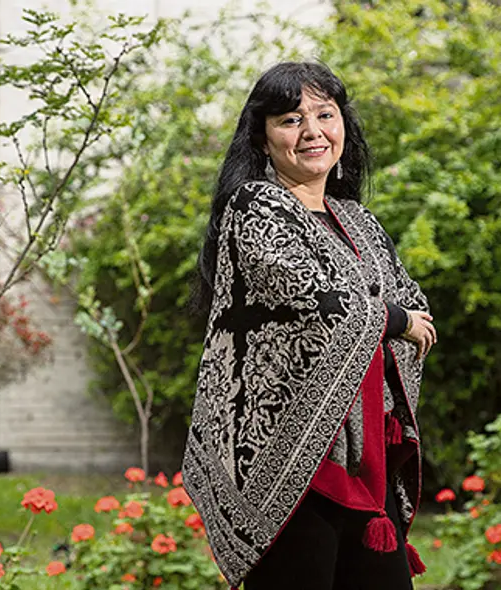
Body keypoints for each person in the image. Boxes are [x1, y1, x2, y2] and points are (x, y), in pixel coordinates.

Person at [183, 61, 436, 590]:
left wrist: (399, 319)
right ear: (262, 135)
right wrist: (394, 320)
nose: (313, 132)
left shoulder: (358, 221)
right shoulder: (255, 206)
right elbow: (311, 295)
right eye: (291, 119)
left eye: (326, 114)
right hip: (291, 461)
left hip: (369, 455)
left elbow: (413, 302)